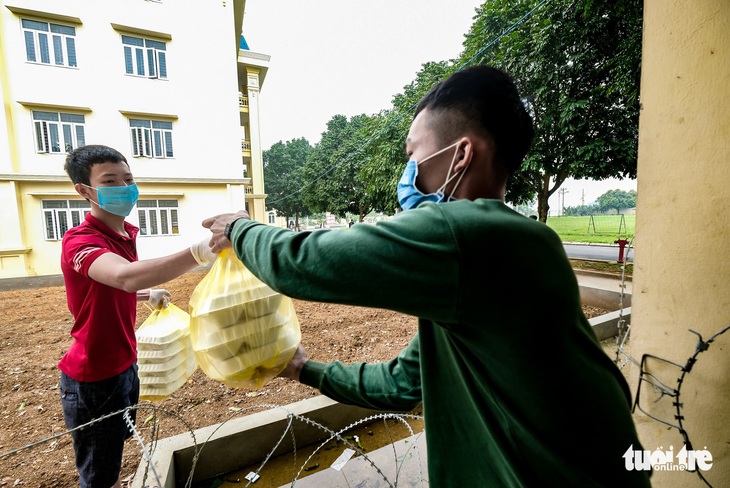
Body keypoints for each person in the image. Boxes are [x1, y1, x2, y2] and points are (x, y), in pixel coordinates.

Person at [202, 66, 650, 487]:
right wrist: (303, 369)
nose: (408, 172)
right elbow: (402, 384)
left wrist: (239, 229)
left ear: (461, 155)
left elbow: (303, 263)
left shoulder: (470, 235)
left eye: (413, 154)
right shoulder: (495, 256)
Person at [59, 145, 216, 488]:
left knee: (112, 449)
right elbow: (124, 276)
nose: (124, 187)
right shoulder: (80, 241)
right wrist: (199, 251)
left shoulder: (124, 234)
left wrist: (145, 294)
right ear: (84, 190)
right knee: (100, 475)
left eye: (128, 179)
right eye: (110, 180)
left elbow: (119, 286)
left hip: (126, 365)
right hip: (94, 376)